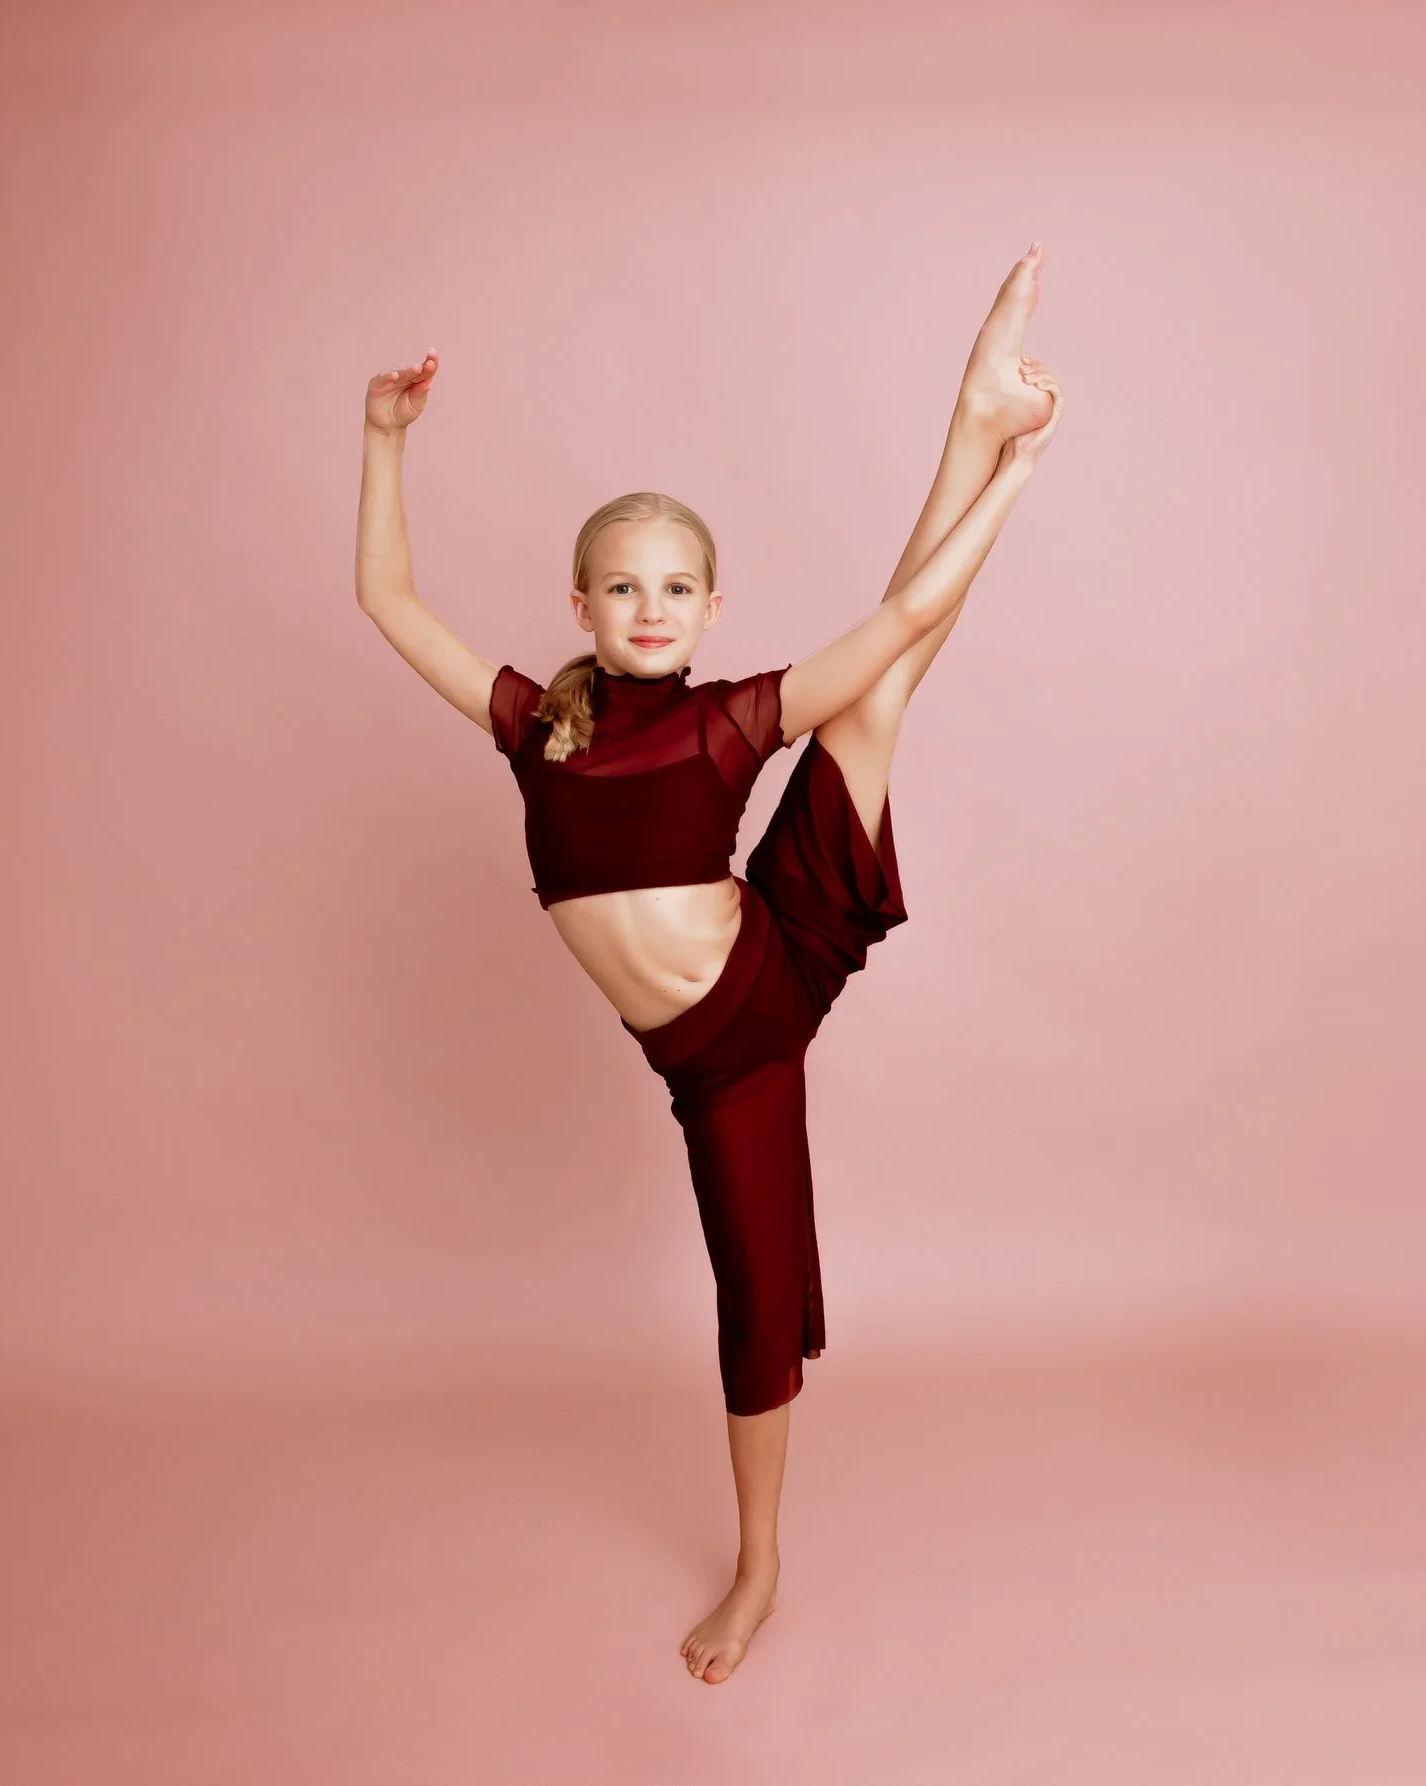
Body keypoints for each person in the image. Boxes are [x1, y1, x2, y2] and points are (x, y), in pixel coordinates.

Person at [353, 246, 1063, 1685]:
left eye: (679, 585)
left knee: (878, 688)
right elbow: (385, 598)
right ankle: (975, 407)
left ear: (712, 612)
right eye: (625, 586)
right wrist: (382, 441)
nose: (653, 606)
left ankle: (759, 1567)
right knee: (881, 688)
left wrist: (1021, 474)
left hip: (761, 1003)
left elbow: (903, 621)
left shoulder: (726, 719)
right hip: (706, 1056)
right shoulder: (533, 727)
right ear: (582, 605)